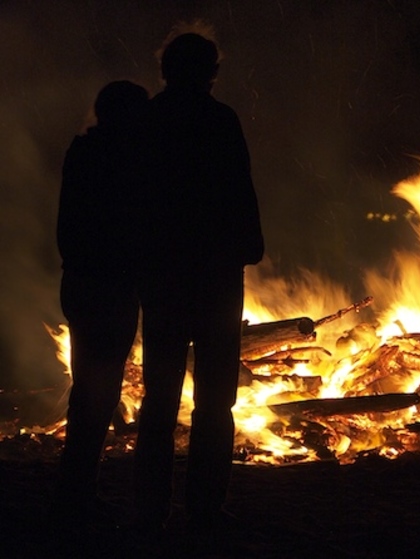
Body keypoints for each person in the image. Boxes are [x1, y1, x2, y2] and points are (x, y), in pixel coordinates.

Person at [133, 30, 264, 543]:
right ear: (211, 70)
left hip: (164, 278)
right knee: (215, 402)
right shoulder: (219, 120)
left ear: (165, 70)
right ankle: (206, 509)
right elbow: (239, 193)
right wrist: (247, 247)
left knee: (159, 401)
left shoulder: (149, 120)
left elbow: (135, 199)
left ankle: (150, 513)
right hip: (214, 279)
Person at [52, 80, 149, 537]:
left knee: (91, 391)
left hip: (81, 284)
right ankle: (76, 499)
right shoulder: (121, 161)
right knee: (97, 392)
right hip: (107, 288)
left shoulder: (85, 153)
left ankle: (76, 493)